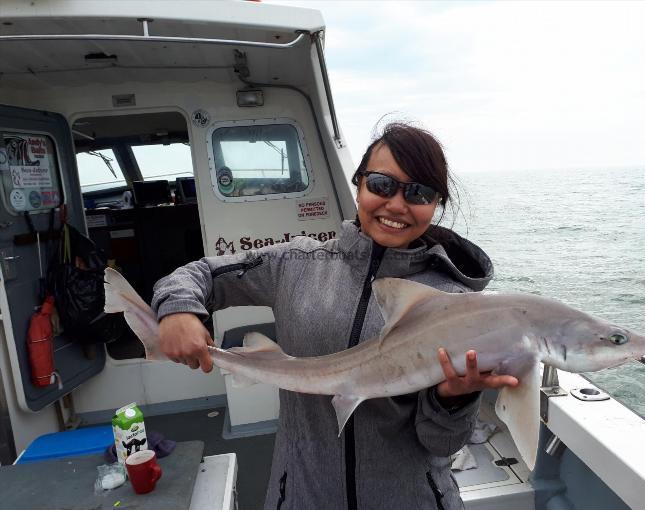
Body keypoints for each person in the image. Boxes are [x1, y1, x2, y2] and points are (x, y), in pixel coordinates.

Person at [152, 122, 518, 510]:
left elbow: (440, 443)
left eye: (419, 193)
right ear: (358, 183)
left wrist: (453, 400)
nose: (396, 205)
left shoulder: (450, 301)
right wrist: (179, 310)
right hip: (302, 495)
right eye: (381, 184)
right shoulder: (296, 263)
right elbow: (199, 274)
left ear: (435, 204)